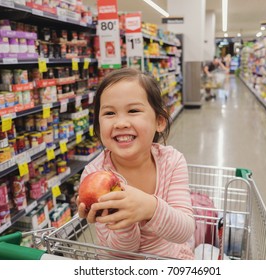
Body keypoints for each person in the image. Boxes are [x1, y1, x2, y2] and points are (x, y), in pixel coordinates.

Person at [77, 68, 196, 259]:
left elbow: (184, 231)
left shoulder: (172, 162)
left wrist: (149, 207)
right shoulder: (94, 173)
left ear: (159, 121)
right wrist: (125, 219)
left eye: (133, 110)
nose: (121, 123)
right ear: (98, 126)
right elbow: (121, 250)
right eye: (109, 113)